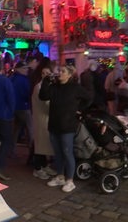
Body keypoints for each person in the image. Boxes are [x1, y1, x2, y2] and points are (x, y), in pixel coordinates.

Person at [39, 64, 92, 192]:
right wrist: (46, 81)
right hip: (54, 124)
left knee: (67, 152)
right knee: (58, 153)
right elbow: (43, 96)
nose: (59, 73)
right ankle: (60, 176)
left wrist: (80, 110)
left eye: (63, 71)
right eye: (59, 71)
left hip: (68, 125)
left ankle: (70, 180)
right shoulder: (54, 86)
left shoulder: (75, 88)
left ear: (69, 75)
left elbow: (89, 97)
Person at [31, 64, 57, 180]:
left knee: (44, 144)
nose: (45, 75)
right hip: (41, 118)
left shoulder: (49, 86)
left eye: (47, 73)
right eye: (43, 73)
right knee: (40, 144)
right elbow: (46, 103)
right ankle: (37, 168)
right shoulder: (39, 87)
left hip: (47, 118)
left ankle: (44, 165)